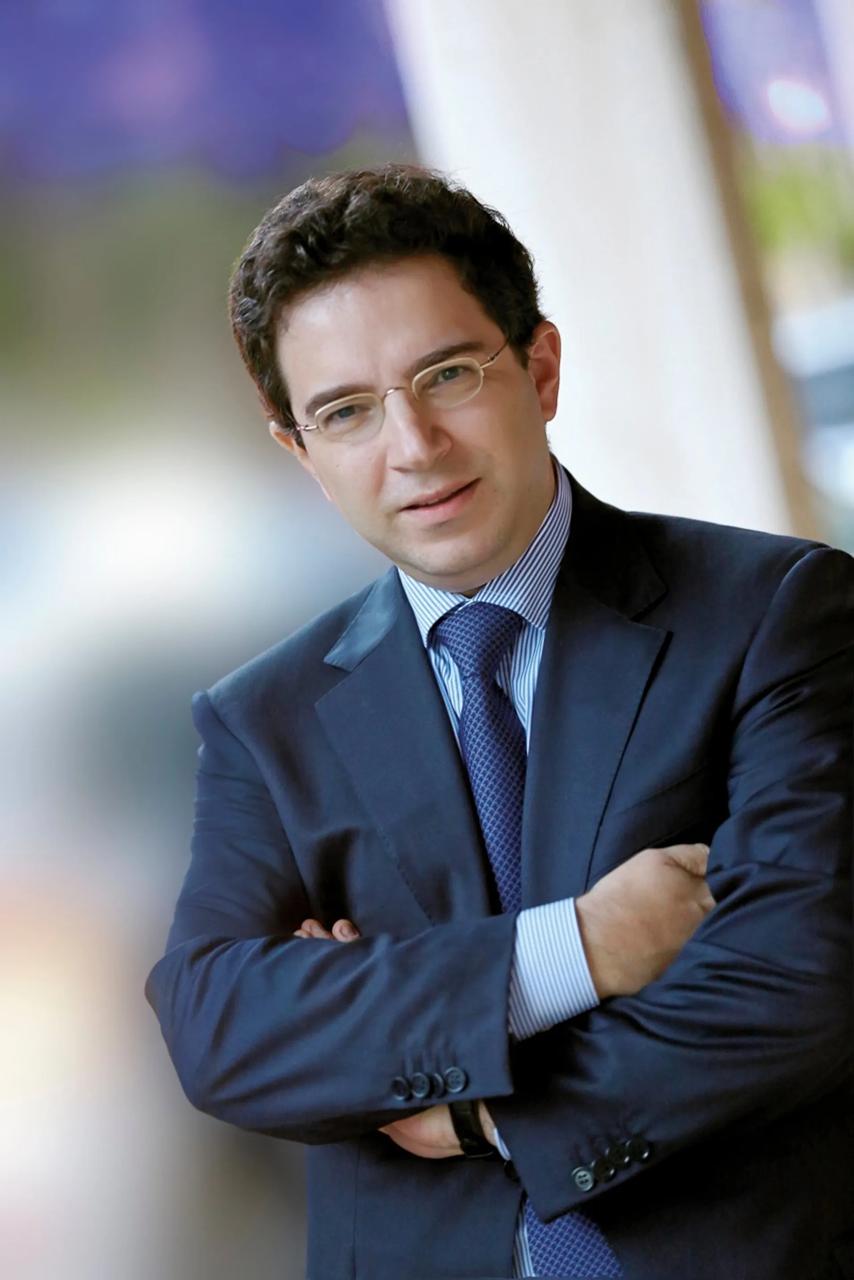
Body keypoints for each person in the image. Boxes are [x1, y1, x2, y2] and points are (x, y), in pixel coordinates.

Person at [145, 165, 854, 1280]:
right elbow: (220, 1027)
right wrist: (581, 947)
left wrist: (476, 1107)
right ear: (299, 451)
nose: (413, 444)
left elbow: (801, 976)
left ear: (540, 367)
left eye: (447, 375)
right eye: (346, 411)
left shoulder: (774, 613)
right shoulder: (263, 721)